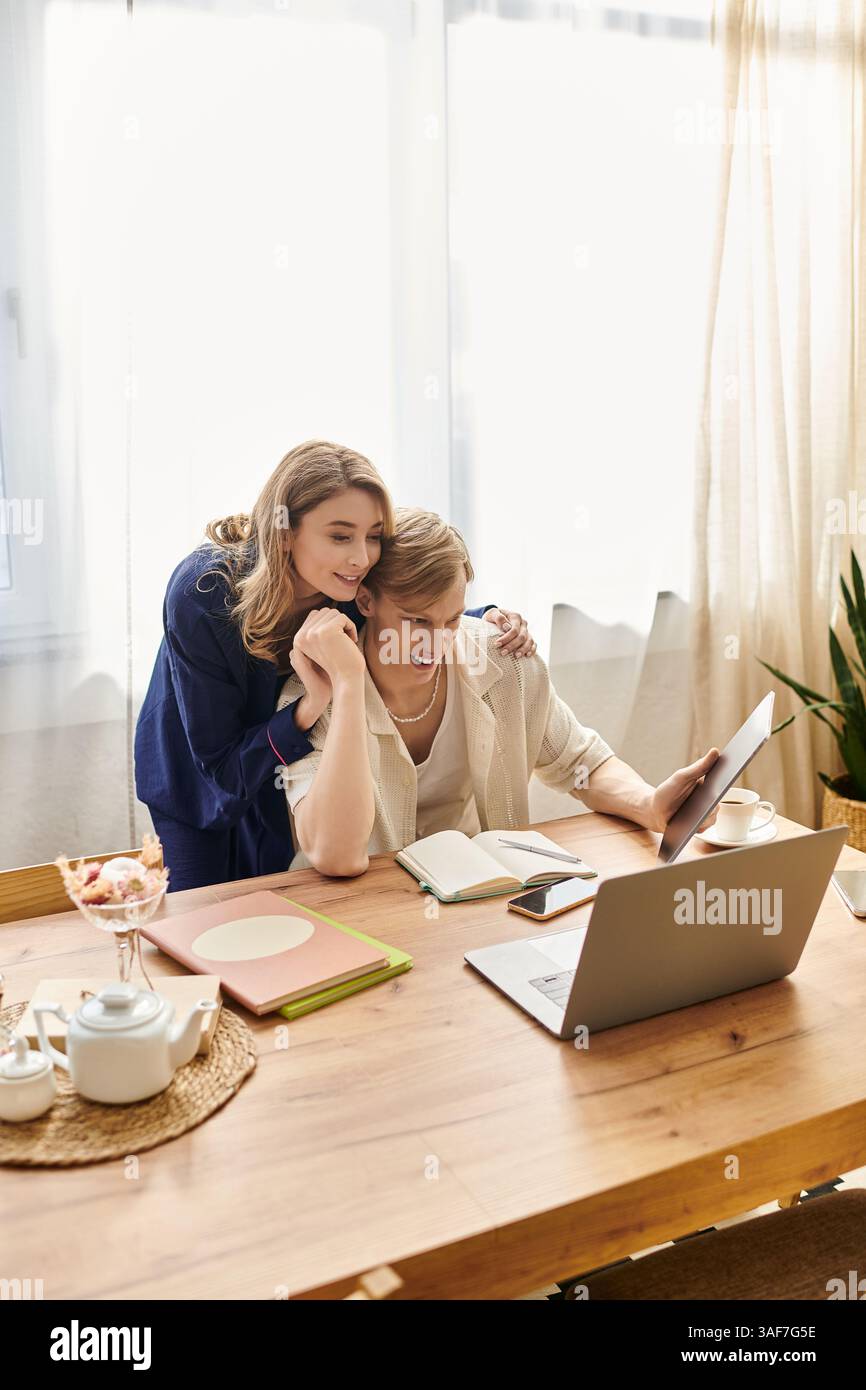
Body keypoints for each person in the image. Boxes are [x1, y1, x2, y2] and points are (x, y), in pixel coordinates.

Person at [134, 443, 537, 889]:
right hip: (201, 780)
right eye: (340, 536)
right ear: (285, 532)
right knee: (198, 926)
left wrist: (483, 617)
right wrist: (310, 707)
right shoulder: (203, 591)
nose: (362, 558)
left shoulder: (349, 588)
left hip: (279, 763)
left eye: (373, 536)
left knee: (270, 913)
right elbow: (224, 769)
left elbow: (406, 608)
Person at [276, 507, 719, 876]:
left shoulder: (501, 659)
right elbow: (333, 855)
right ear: (367, 602)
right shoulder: (314, 693)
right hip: (357, 914)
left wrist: (649, 805)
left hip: (472, 898)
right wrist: (350, 685)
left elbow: (580, 761)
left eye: (450, 620)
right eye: (417, 622)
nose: (438, 643)